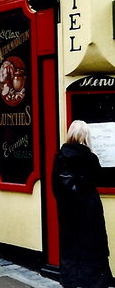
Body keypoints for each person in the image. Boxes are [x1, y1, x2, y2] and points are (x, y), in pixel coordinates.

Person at [52, 120, 113, 288]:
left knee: (71, 250)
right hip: (89, 214)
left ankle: (71, 282)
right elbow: (99, 178)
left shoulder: (60, 157)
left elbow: (55, 188)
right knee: (92, 250)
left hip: (68, 215)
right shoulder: (90, 158)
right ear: (85, 136)